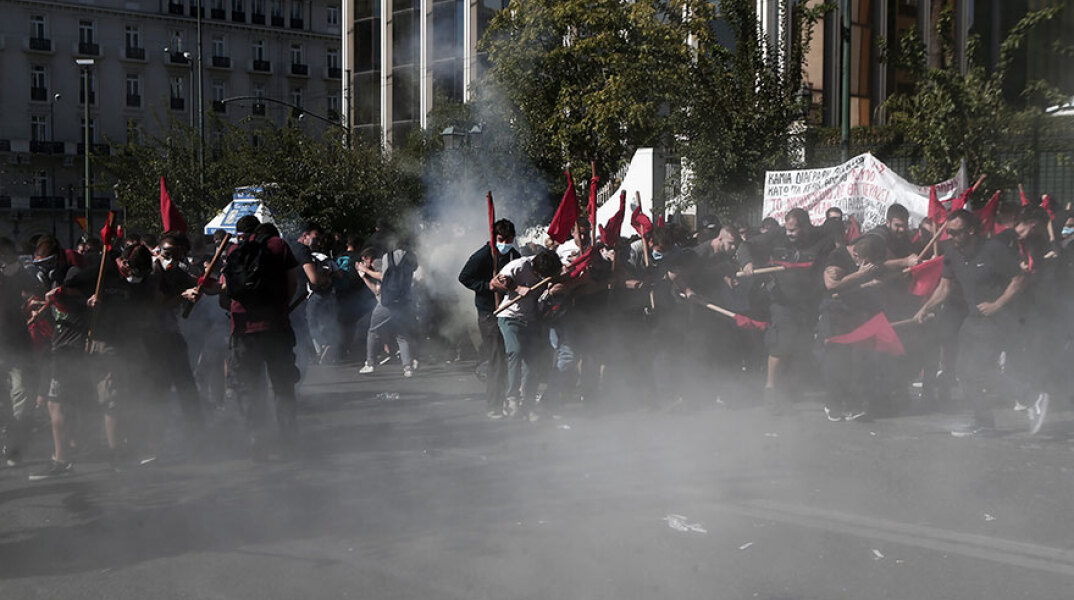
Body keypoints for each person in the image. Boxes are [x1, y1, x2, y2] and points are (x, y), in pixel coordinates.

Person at [914, 207, 1050, 436]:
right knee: (963, 372)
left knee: (979, 369)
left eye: (956, 232)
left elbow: (1019, 279)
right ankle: (984, 422)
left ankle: (1032, 397)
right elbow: (945, 287)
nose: (952, 237)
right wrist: (925, 307)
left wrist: (997, 304)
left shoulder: (993, 250)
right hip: (973, 318)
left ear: (972, 231)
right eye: (949, 232)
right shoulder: (952, 253)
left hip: (1000, 318)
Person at [221, 215, 302, 458]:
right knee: (282, 384)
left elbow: (226, 288)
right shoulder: (278, 245)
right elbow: (293, 282)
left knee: (248, 385)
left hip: (243, 329)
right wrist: (282, 306)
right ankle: (288, 439)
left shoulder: (234, 249)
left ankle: (255, 437)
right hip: (276, 326)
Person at [739, 208, 834, 414]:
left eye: (794, 230)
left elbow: (831, 263)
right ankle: (770, 388)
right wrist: (746, 262)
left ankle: (790, 389)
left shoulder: (823, 241)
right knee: (782, 340)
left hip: (808, 302)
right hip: (781, 301)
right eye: (788, 229)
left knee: (801, 343)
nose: (789, 234)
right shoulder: (776, 236)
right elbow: (746, 245)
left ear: (806, 227)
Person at [458, 219, 522, 418]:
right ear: (494, 237)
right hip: (489, 314)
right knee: (497, 360)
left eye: (509, 239)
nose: (505, 243)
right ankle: (493, 405)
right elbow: (465, 277)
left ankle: (509, 400)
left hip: (509, 312)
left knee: (511, 357)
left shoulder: (513, 255)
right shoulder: (482, 255)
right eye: (502, 239)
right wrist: (488, 286)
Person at [490, 250, 563, 420]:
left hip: (532, 319)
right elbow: (493, 284)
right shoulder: (518, 265)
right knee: (515, 351)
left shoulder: (551, 270)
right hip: (510, 317)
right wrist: (516, 287)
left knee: (532, 362)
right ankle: (512, 398)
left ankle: (528, 403)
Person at [357, 238, 418, 376]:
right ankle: (407, 368)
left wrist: (365, 271)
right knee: (402, 335)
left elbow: (383, 277)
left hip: (388, 301)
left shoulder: (387, 256)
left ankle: (370, 363)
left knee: (373, 331)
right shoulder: (412, 258)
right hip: (405, 301)